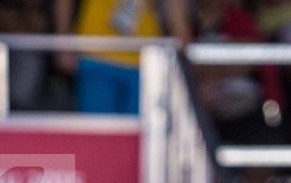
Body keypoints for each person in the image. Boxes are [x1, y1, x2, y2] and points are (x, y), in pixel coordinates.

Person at [54, 0, 190, 116]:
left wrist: (182, 36)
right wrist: (63, 40)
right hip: (96, 54)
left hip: (143, 61)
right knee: (96, 133)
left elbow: (174, 3)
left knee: (139, 138)